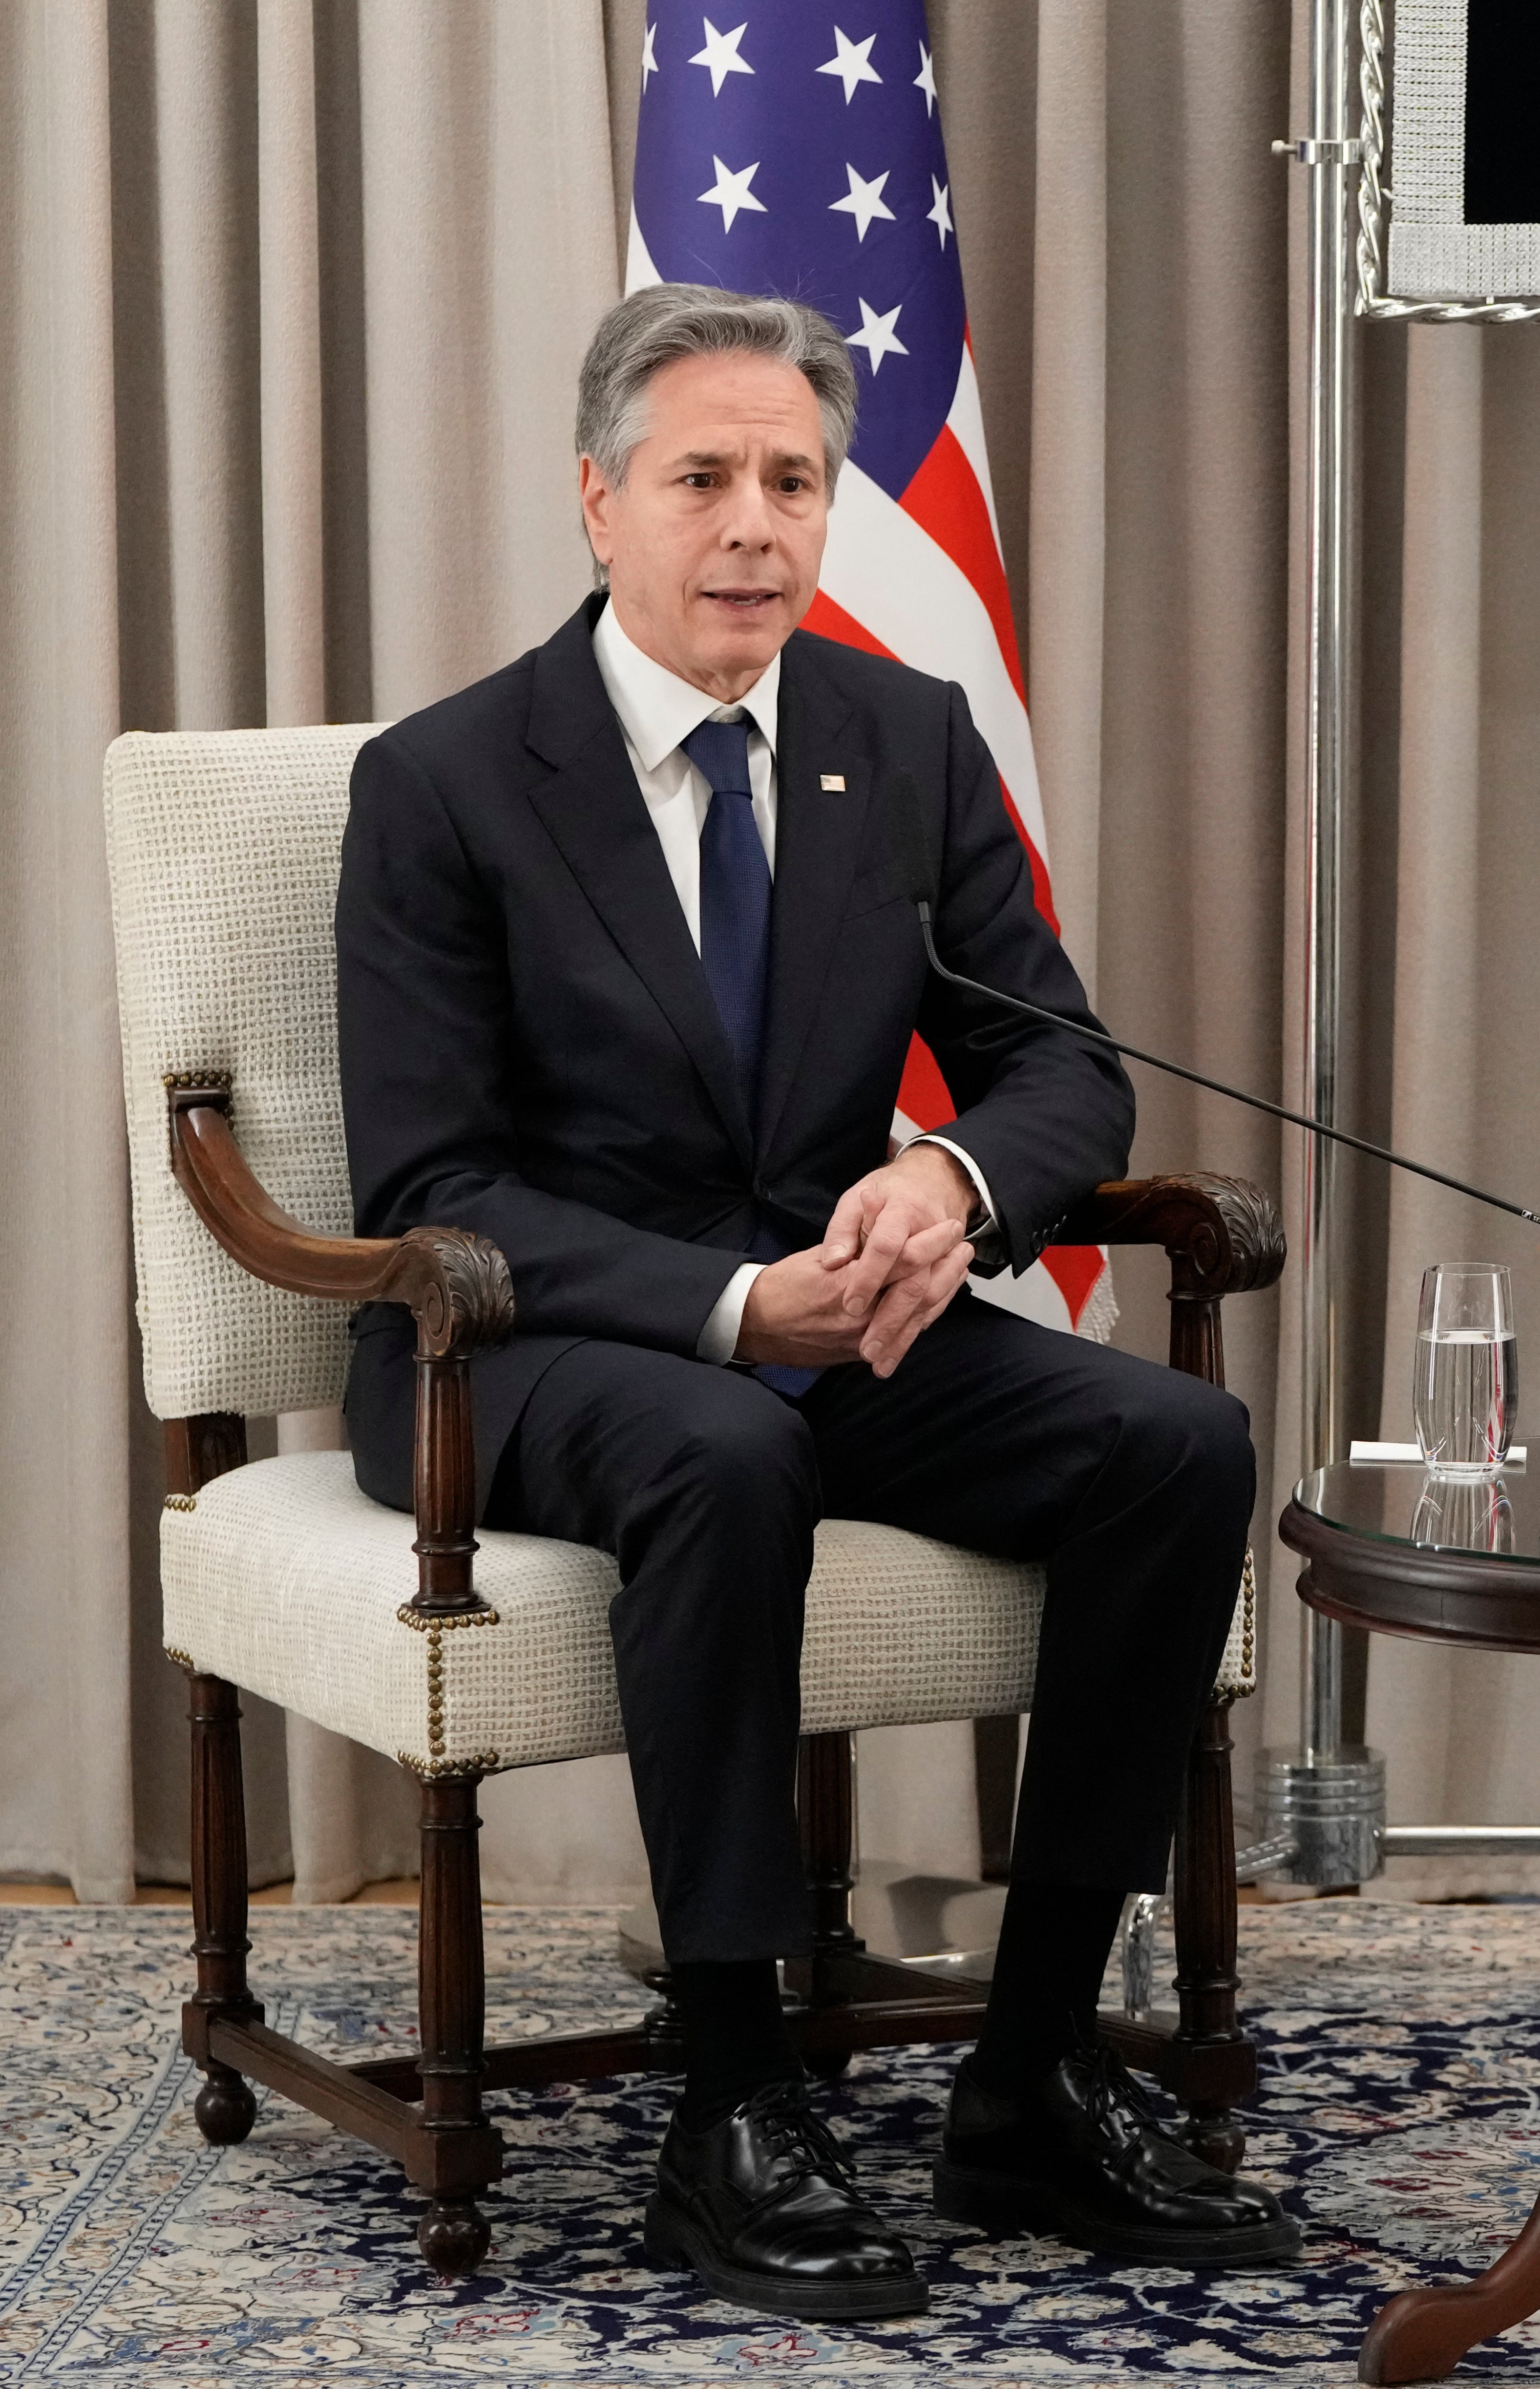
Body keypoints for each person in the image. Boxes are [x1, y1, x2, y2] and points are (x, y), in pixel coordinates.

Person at [336, 284, 1297, 2319]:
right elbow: (430, 1188)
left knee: (1171, 1443)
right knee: (722, 1445)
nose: (755, 524)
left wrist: (951, 1179)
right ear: (601, 502)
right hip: (523, 1340)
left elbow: (1063, 1062)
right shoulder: (446, 783)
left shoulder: (900, 740)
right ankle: (735, 2094)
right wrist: (727, 1300)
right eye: (705, 478)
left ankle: (1031, 2075)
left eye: (794, 479)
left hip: (843, 1316)